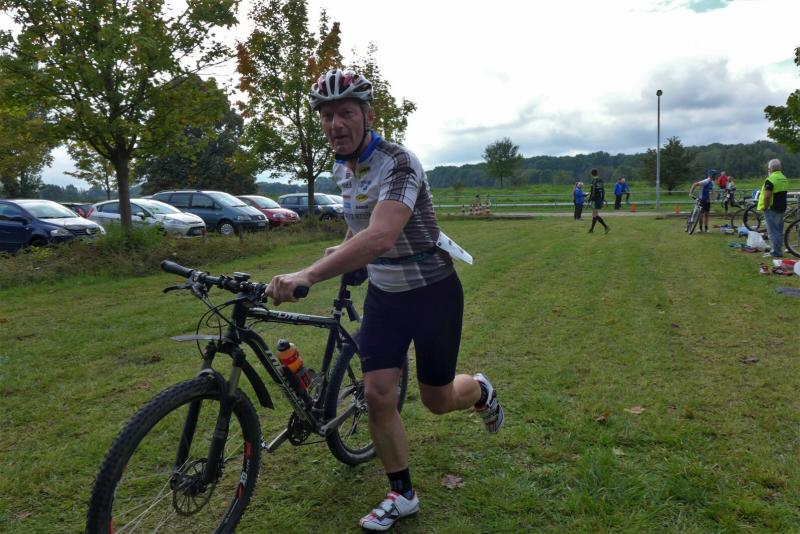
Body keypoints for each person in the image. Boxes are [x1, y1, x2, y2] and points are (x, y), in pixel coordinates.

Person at [265, 69, 504, 531]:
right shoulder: (342, 167)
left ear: (368, 115)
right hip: (385, 295)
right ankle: (402, 493)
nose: (336, 124)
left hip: (432, 293)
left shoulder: (399, 163)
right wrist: (340, 252)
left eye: (346, 113)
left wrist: (309, 274)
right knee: (377, 394)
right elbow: (360, 224)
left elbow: (381, 235)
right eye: (327, 115)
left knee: (437, 400)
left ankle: (479, 389)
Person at [758, 158, 789, 258]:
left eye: (768, 168)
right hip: (782, 207)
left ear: (770, 168)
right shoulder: (784, 178)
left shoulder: (770, 179)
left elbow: (767, 196)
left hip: (772, 208)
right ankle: (778, 250)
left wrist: (765, 207)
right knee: (779, 231)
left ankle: (776, 252)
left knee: (773, 232)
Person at [688, 169, 717, 233]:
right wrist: (690, 192)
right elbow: (695, 184)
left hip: (707, 201)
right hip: (702, 200)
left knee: (706, 215)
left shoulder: (712, 182)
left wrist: (714, 197)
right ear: (711, 175)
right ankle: (700, 228)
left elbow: (712, 189)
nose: (715, 176)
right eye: (714, 175)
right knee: (700, 215)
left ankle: (706, 228)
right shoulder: (706, 181)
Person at [588, 169, 609, 233]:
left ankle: (606, 227)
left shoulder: (595, 181)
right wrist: (602, 199)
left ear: (591, 174)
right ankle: (591, 229)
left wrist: (590, 199)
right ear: (597, 173)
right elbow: (602, 191)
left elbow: (594, 191)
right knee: (594, 214)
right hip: (597, 199)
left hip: (596, 199)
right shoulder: (598, 180)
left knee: (595, 214)